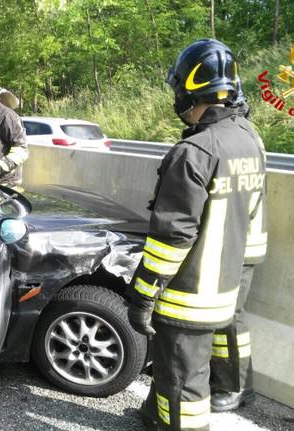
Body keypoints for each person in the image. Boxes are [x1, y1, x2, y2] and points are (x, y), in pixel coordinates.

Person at [126, 39, 267, 431]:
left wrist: (143, 292)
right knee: (175, 371)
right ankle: (155, 413)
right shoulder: (248, 139)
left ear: (191, 91)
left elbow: (172, 237)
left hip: (188, 296)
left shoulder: (193, 153)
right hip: (225, 284)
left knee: (183, 382)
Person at [209, 90, 267, 413]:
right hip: (237, 240)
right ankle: (230, 381)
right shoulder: (246, 133)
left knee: (230, 319)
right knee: (226, 317)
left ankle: (236, 387)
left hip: (242, 242)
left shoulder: (242, 137)